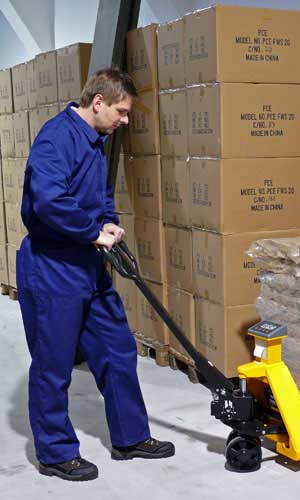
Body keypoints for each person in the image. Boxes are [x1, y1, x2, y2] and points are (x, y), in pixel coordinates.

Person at [17, 68, 174, 482]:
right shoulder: (57, 137)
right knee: (54, 364)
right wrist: (91, 231)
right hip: (52, 264)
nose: (125, 120)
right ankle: (55, 452)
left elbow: (100, 194)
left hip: (87, 262)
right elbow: (48, 200)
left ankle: (130, 437)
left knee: (117, 349)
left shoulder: (96, 142)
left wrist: (109, 222)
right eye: (121, 112)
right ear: (98, 102)